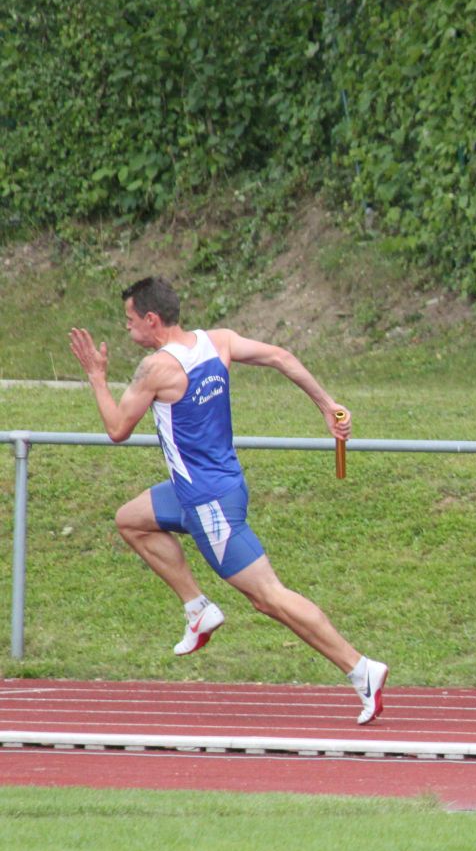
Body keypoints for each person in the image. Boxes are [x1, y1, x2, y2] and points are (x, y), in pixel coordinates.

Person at [68, 277, 388, 724]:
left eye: (129, 319)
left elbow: (117, 429)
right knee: (131, 520)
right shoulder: (218, 341)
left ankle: (360, 668)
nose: (127, 328)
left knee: (269, 596)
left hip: (207, 505)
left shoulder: (155, 368)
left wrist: (96, 378)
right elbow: (281, 357)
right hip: (214, 487)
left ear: (151, 319)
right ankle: (197, 609)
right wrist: (327, 405)